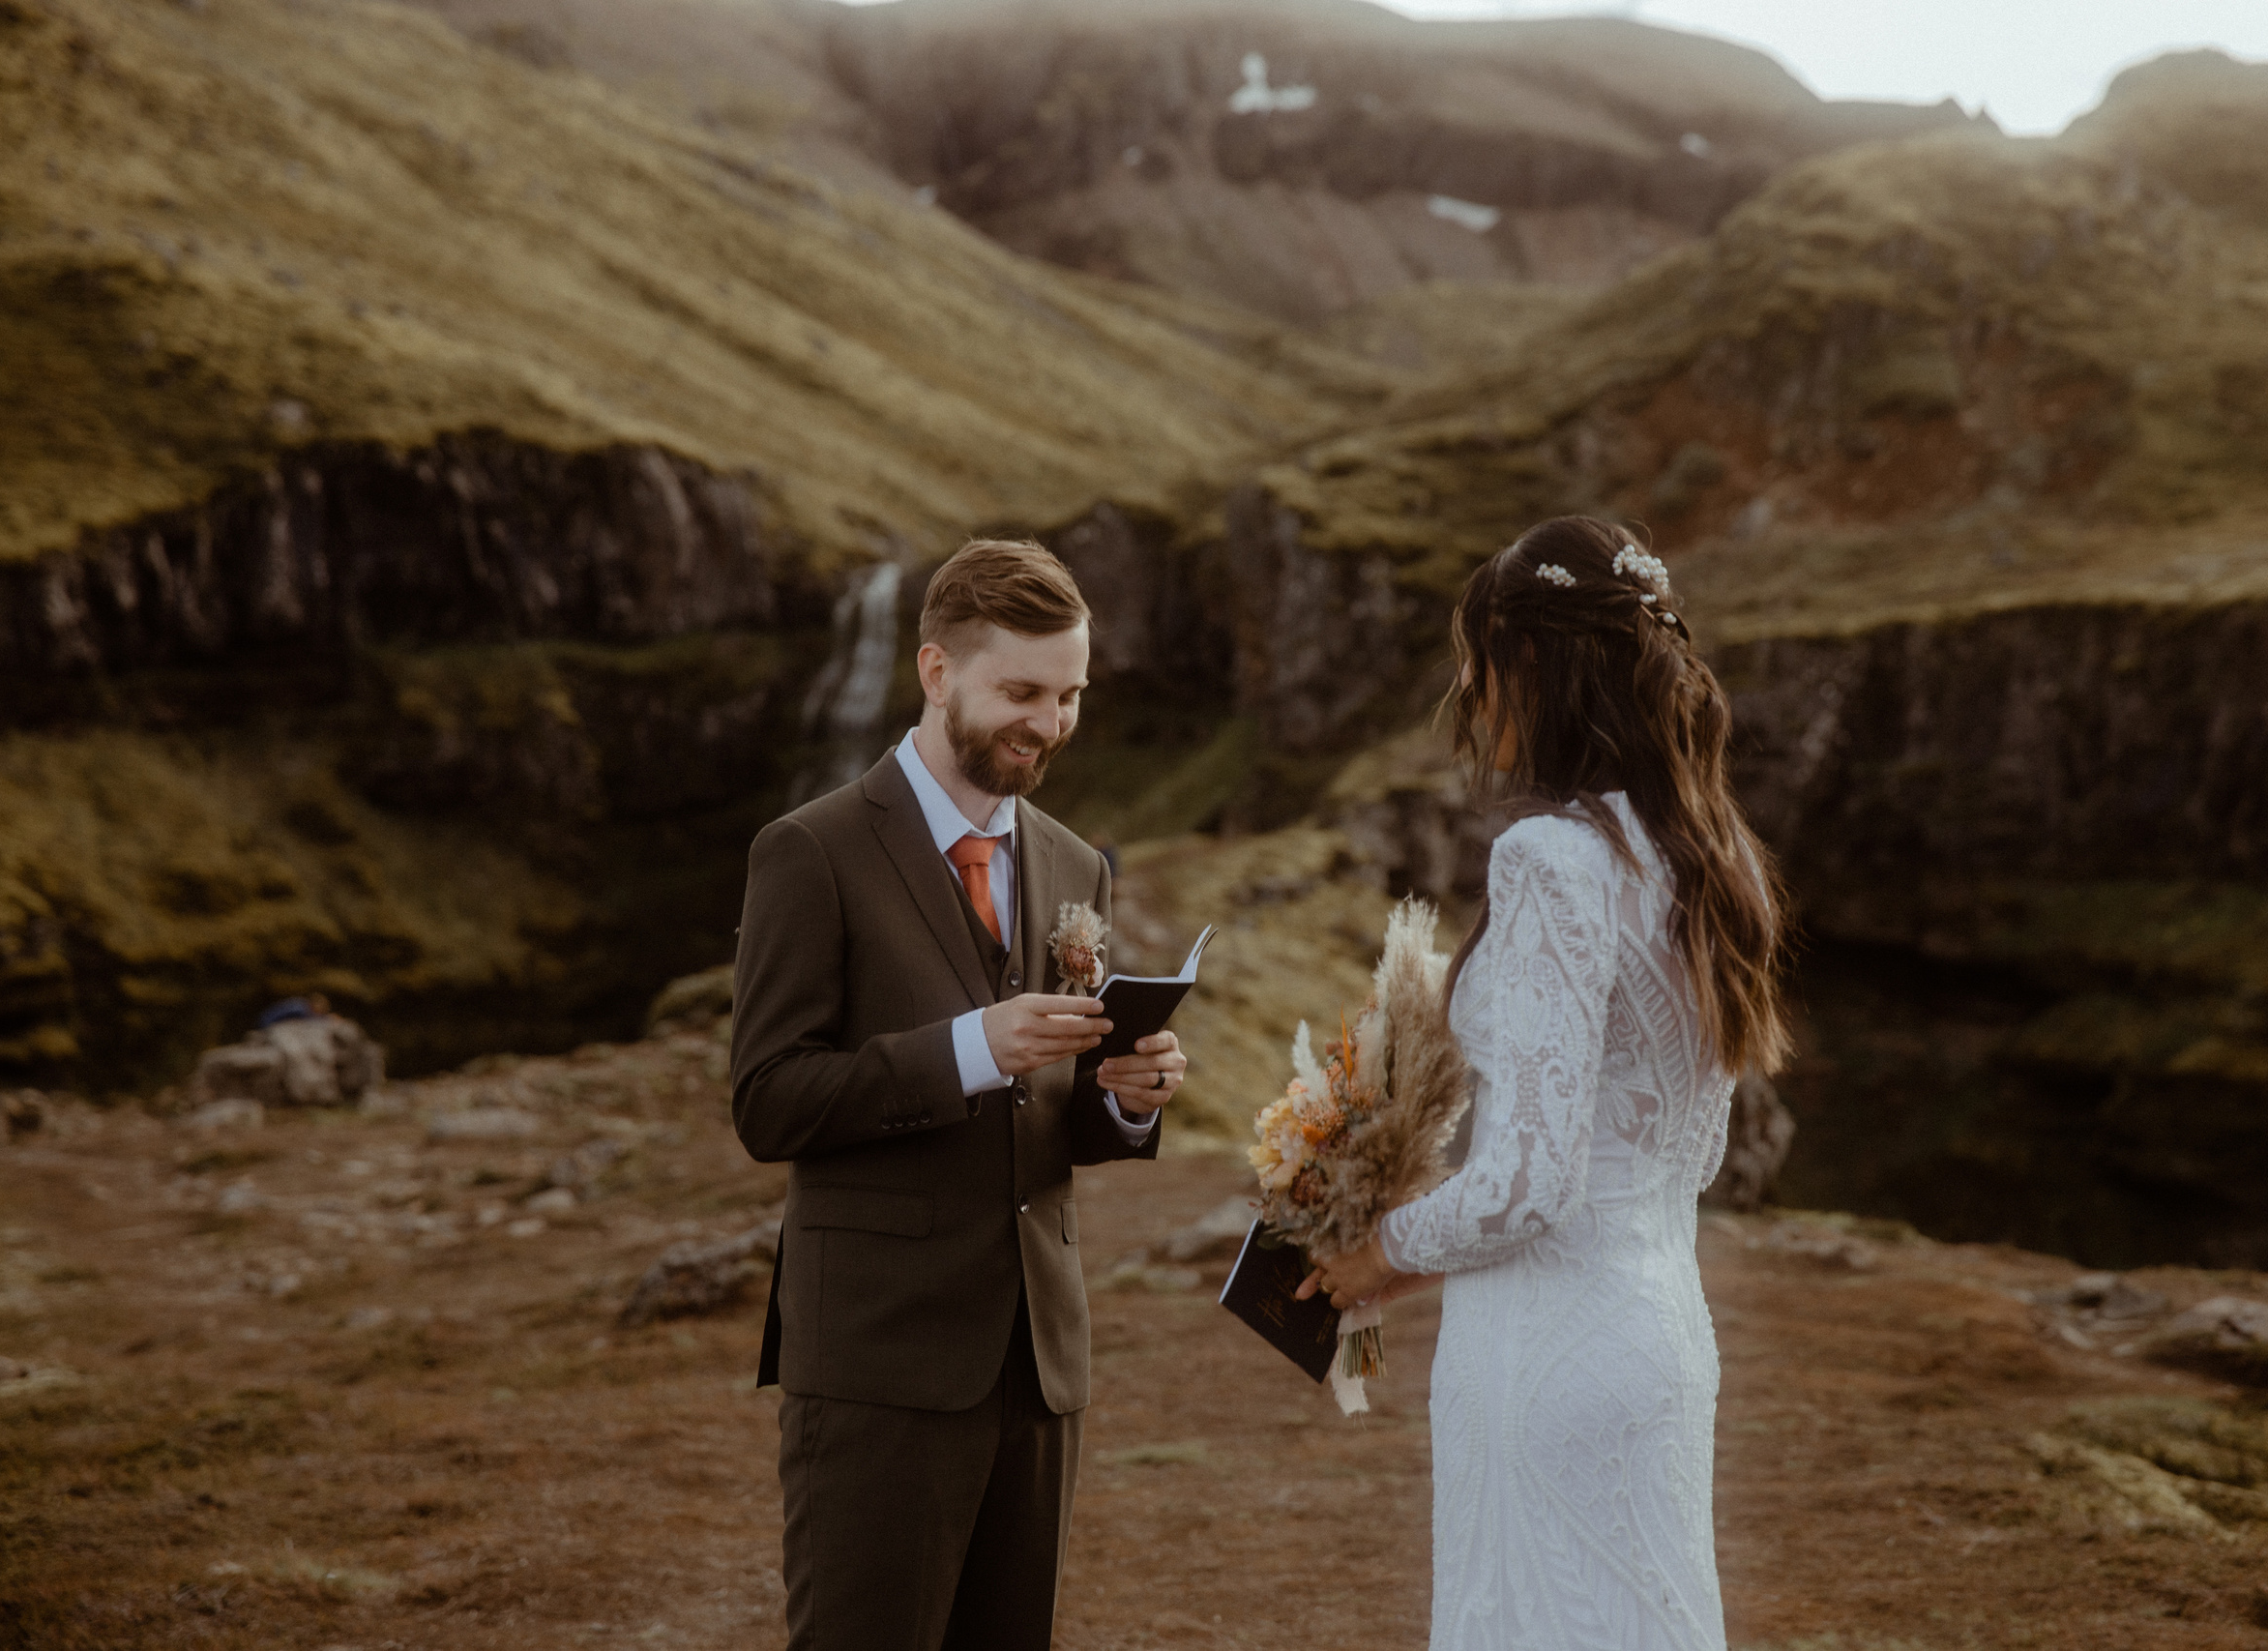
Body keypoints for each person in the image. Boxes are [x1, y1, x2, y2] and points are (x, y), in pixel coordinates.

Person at [1304, 516, 1791, 1651]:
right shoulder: (1712, 860)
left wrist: (1378, 1250)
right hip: (1659, 1332)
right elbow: (1682, 1156)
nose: (1468, 694)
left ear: (1532, 663)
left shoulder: (1554, 861)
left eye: (1477, 662)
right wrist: (1424, 1263)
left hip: (1543, 1359)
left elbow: (1526, 1180)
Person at [728, 539, 1189, 1651]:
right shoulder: (809, 851)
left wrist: (1128, 1096)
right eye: (1022, 692)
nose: (1051, 721)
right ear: (936, 673)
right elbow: (770, 1101)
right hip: (878, 1364)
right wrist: (969, 1048)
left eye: (1070, 694)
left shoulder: (1078, 866)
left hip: (1039, 1369)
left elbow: (1056, 1115)